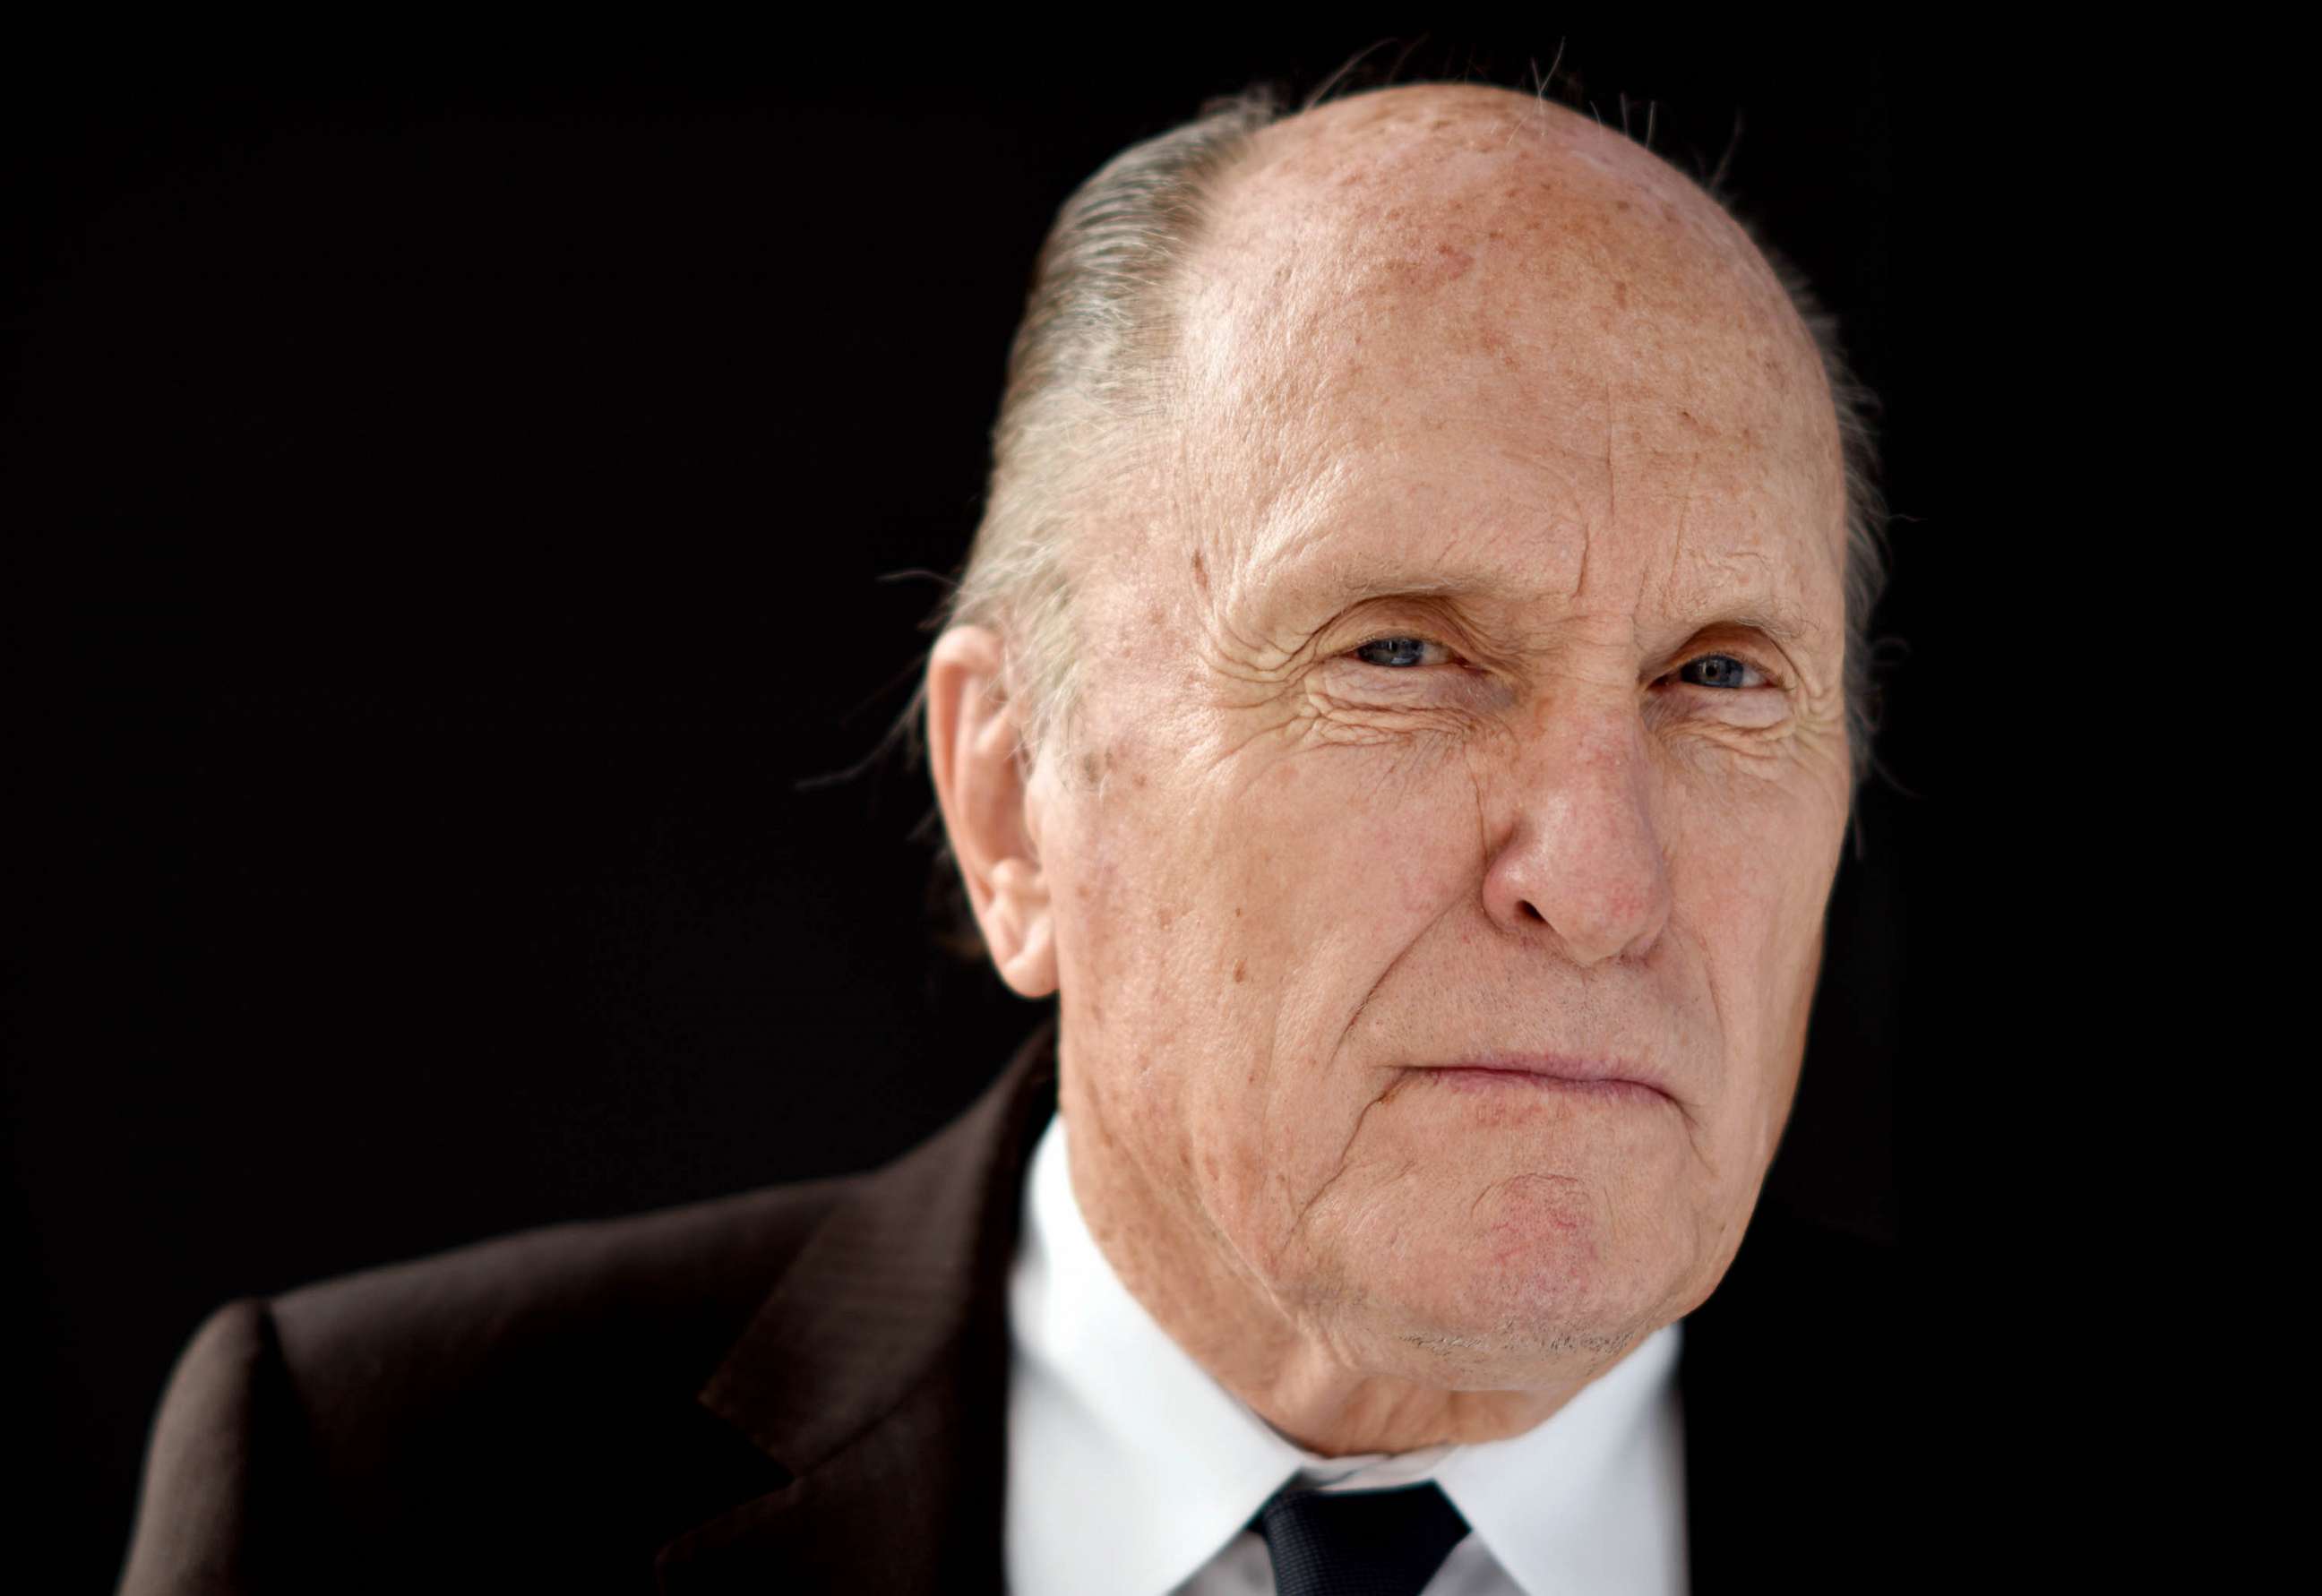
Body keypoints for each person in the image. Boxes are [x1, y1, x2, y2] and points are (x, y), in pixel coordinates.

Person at [116, 76, 1898, 1595]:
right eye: (1400, 656)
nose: (1599, 881)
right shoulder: (377, 1500)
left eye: (1722, 678)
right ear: (1013, 799)